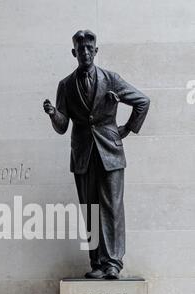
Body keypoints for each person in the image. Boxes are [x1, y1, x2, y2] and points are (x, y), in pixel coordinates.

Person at [43, 29, 150, 279]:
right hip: (83, 155)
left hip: (110, 152)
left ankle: (113, 262)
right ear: (74, 53)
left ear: (96, 51)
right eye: (81, 50)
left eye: (90, 49)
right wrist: (53, 114)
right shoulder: (66, 85)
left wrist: (126, 129)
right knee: (89, 209)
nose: (86, 53)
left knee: (112, 208)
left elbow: (143, 101)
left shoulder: (111, 79)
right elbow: (62, 126)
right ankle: (97, 264)